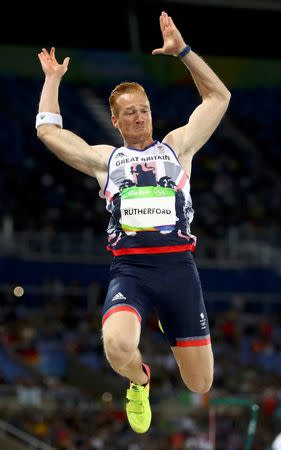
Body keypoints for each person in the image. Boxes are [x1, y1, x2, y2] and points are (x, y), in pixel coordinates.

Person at [36, 11, 231, 434]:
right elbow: (50, 134)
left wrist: (184, 53)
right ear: (116, 121)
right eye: (130, 113)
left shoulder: (178, 148)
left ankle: (165, 321)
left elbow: (218, 99)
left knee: (200, 383)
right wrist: (52, 80)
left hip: (179, 271)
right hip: (133, 272)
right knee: (117, 345)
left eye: (144, 110)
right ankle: (139, 381)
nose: (140, 117)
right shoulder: (108, 161)